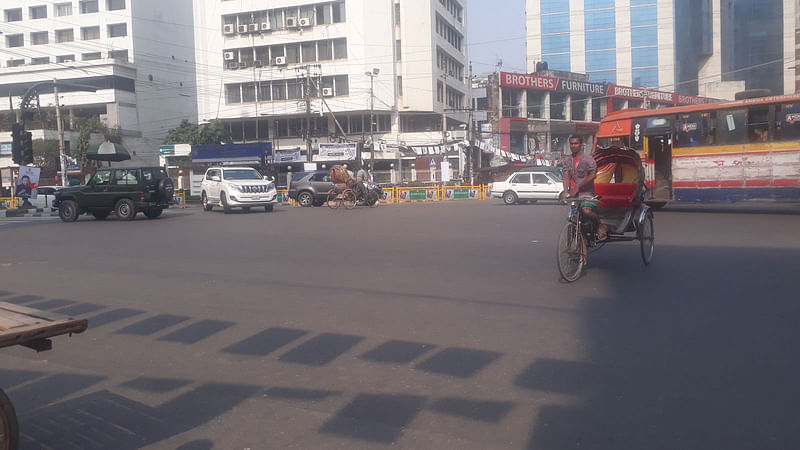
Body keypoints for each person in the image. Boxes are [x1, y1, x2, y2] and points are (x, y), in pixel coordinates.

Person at [562, 136, 607, 241]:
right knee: (572, 218)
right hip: (574, 195)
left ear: (581, 145)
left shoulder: (588, 159)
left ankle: (600, 225)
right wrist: (565, 192)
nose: (573, 146)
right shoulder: (567, 160)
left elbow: (592, 175)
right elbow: (566, 175)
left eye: (576, 143)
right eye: (571, 144)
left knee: (586, 211)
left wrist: (578, 187)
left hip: (587, 193)